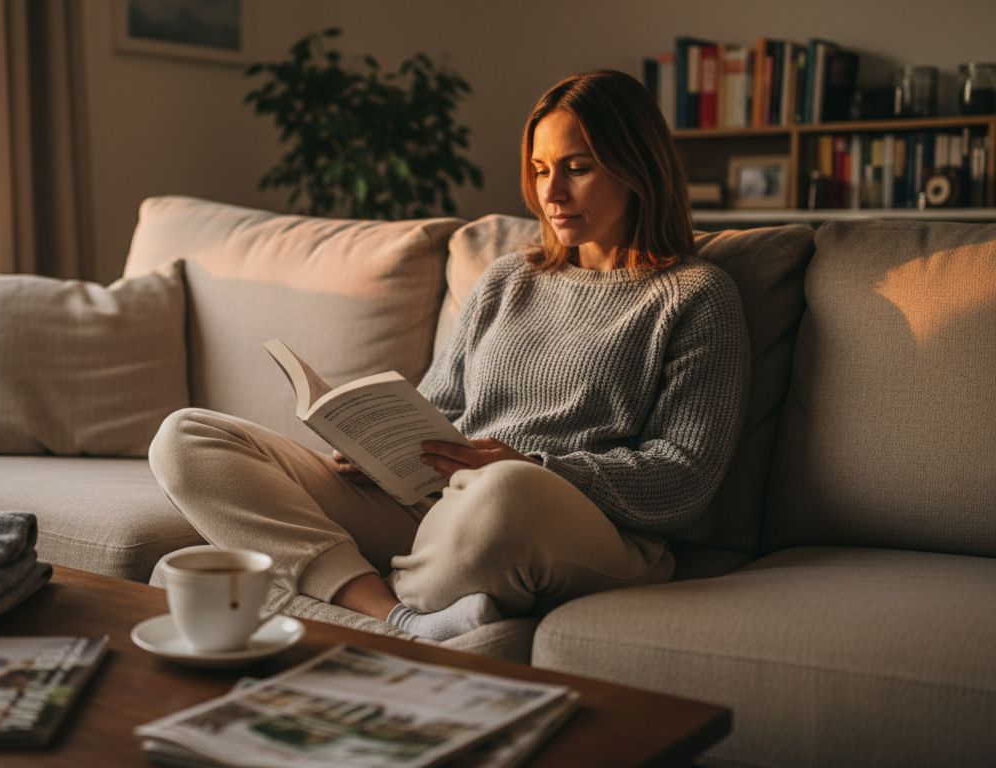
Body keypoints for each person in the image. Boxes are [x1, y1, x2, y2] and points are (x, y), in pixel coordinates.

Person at [149, 70, 750, 642]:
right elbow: (439, 402)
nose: (551, 193)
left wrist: (537, 465)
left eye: (577, 168)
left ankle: (311, 587)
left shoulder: (696, 296)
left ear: (638, 168)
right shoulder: (508, 279)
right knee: (187, 437)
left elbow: (685, 479)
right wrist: (374, 448)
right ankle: (395, 616)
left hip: (559, 518)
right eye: (540, 170)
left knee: (504, 494)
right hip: (433, 504)